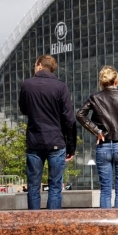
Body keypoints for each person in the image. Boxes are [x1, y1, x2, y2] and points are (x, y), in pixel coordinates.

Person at [19, 55, 77, 210]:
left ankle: (34, 226)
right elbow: (69, 119)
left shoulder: (27, 85)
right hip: (56, 142)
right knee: (55, 187)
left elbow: (23, 109)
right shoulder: (61, 87)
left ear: (39, 65)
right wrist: (71, 147)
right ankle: (53, 227)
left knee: (33, 187)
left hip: (34, 141)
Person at [76, 66, 118, 208]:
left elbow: (80, 114)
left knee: (105, 190)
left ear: (101, 82)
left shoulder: (95, 98)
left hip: (103, 145)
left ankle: (106, 228)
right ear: (116, 81)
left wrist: (97, 131)